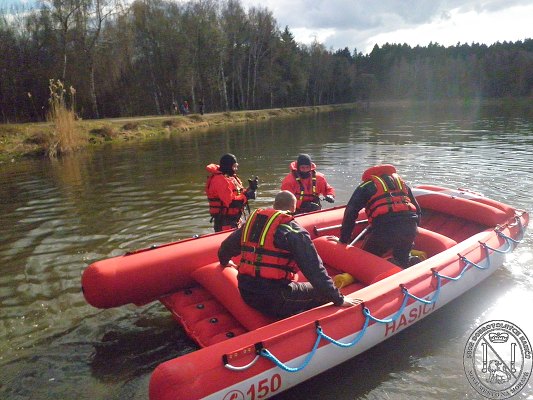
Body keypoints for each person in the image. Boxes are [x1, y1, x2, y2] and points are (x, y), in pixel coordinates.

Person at [218, 190, 355, 318]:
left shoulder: (252, 223)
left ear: (274, 205)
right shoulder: (294, 231)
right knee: (322, 292)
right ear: (293, 209)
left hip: (246, 292)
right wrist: (338, 299)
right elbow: (314, 269)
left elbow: (225, 248)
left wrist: (224, 261)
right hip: (274, 299)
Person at [338, 164, 422, 269]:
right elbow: (417, 210)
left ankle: (378, 273)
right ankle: (405, 262)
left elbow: (350, 213)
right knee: (402, 256)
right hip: (410, 227)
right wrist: (414, 230)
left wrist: (343, 240)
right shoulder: (402, 184)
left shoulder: (365, 186)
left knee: (364, 262)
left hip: (384, 230)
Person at [205, 153, 258, 232]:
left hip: (234, 219)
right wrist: (247, 195)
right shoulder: (219, 180)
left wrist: (250, 189)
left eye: (236, 166)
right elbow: (232, 203)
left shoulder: (230, 177)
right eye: (234, 166)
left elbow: (238, 195)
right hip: (225, 222)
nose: (236, 169)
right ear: (227, 166)